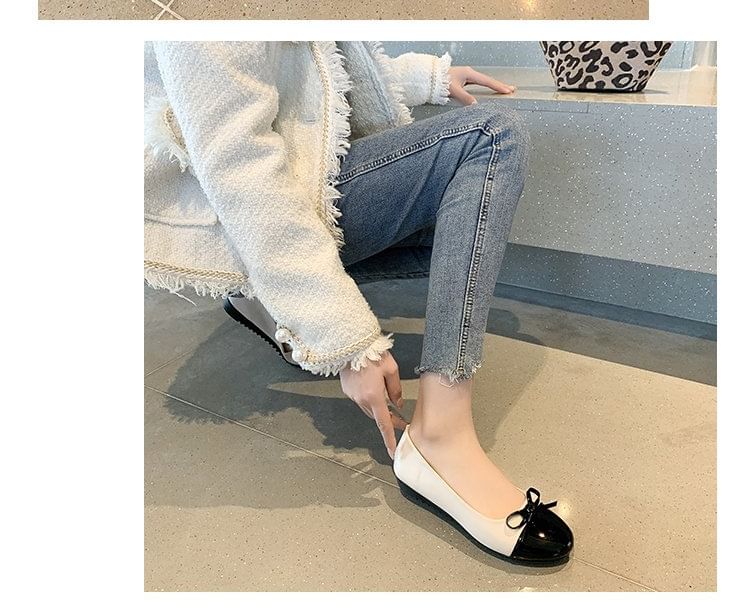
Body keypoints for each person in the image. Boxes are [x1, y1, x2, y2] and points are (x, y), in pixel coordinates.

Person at [144, 41, 573, 566]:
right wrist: (344, 338)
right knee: (489, 139)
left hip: (278, 171)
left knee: (473, 217)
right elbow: (236, 165)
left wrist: (423, 78)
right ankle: (439, 436)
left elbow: (307, 67)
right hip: (232, 205)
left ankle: (268, 299)